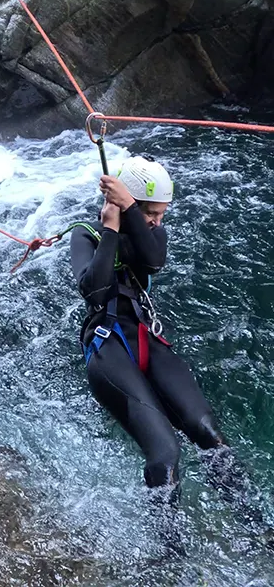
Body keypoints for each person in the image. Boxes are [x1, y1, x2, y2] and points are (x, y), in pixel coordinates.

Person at [69, 156, 266, 529]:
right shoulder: (86, 234)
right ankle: (169, 557)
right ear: (132, 205)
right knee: (165, 453)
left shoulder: (150, 233)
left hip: (148, 336)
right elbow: (94, 290)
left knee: (209, 433)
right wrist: (111, 230)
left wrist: (130, 209)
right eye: (152, 214)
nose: (158, 221)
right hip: (108, 346)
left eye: (162, 214)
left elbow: (155, 259)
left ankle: (258, 530)